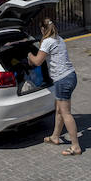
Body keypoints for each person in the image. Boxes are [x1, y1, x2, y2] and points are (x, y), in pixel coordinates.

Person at [29, 17, 81, 156]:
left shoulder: (47, 42)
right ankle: (55, 137)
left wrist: (29, 55)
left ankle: (75, 146)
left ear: (42, 29)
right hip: (71, 76)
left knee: (66, 113)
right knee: (59, 109)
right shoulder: (59, 39)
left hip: (62, 80)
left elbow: (38, 61)